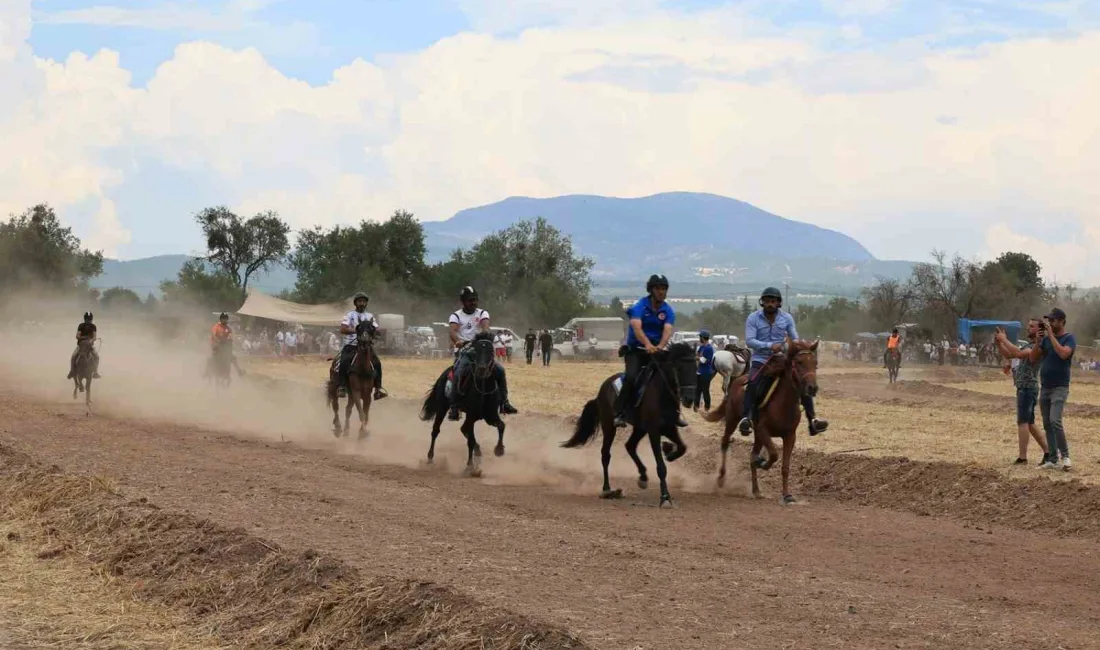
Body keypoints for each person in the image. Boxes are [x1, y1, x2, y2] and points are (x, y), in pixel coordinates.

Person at [737, 287, 829, 437]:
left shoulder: (787, 318)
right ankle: (746, 418)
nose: (770, 304)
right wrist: (769, 346)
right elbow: (750, 341)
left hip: (782, 358)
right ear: (762, 302)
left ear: (778, 303)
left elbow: (795, 338)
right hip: (761, 359)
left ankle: (812, 420)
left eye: (773, 301)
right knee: (753, 382)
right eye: (767, 301)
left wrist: (799, 345)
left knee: (801, 380)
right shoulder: (753, 318)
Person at [614, 274, 689, 429]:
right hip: (637, 350)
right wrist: (647, 344)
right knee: (631, 377)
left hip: (657, 350)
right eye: (658, 288)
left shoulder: (668, 310)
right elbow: (636, 328)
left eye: (664, 289)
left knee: (672, 375)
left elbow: (668, 330)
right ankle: (620, 413)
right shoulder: (639, 307)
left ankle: (675, 411)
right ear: (651, 290)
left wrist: (661, 346)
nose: (662, 292)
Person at [447, 286, 518, 420]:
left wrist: (484, 333)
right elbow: (452, 331)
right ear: (463, 302)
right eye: (470, 300)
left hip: (481, 351)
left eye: (475, 300)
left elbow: (485, 326)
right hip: (464, 351)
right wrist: (457, 341)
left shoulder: (482, 313)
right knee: (458, 371)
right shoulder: (456, 315)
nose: (473, 302)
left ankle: (504, 403)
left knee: (500, 370)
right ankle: (454, 407)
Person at [994, 319, 1051, 466]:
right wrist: (999, 344)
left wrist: (1004, 339)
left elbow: (1017, 353)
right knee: (1029, 423)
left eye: (1032, 326)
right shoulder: (1029, 345)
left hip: (1027, 387)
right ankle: (1048, 451)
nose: (1028, 328)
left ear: (1040, 330)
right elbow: (1009, 355)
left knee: (1023, 422)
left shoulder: (1036, 346)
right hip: (1025, 387)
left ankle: (1023, 457)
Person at [1028, 308, 1077, 470]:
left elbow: (1064, 354)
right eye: (1049, 320)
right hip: (1046, 387)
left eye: (1053, 320)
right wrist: (1037, 341)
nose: (1050, 323)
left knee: (1055, 420)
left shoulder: (1069, 338)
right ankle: (1053, 459)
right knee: (1047, 423)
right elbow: (1033, 358)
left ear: (1062, 321)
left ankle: (1066, 456)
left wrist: (1051, 337)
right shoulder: (1045, 340)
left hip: (1060, 387)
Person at [338, 292, 387, 400]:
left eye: (364, 301)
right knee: (344, 361)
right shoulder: (349, 315)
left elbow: (375, 329)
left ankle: (378, 389)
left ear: (366, 303)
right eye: (359, 301)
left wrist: (378, 332)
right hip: (351, 345)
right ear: (355, 303)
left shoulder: (370, 316)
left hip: (366, 346)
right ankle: (342, 387)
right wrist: (357, 330)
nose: (362, 303)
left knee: (377, 363)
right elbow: (342, 329)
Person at [67, 311, 101, 380]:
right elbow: (77, 336)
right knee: (73, 356)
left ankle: (95, 372)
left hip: (90, 346)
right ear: (85, 319)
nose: (88, 320)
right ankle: (72, 371)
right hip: (81, 345)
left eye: (89, 319)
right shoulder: (81, 325)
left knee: (97, 356)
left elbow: (94, 336)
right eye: (87, 319)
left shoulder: (93, 326)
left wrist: (92, 340)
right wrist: (83, 338)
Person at [694, 330, 716, 412]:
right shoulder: (702, 347)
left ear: (703, 338)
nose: (699, 338)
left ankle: (707, 406)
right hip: (699, 371)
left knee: (705, 390)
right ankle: (696, 405)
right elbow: (697, 354)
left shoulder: (709, 348)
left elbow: (706, 361)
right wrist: (699, 357)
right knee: (697, 389)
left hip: (706, 372)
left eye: (700, 337)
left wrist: (698, 358)